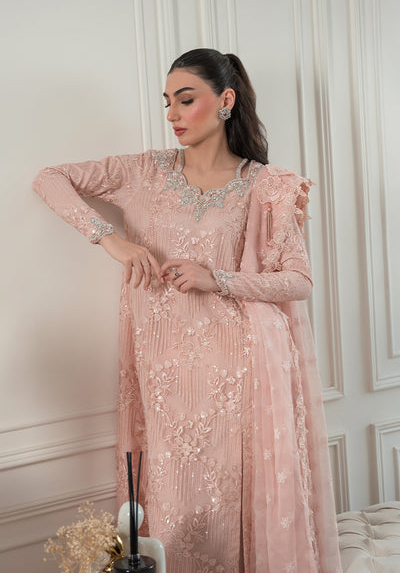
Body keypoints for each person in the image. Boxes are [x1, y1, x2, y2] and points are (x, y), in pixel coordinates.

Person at [33, 48, 343, 572]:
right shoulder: (144, 173)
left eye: (186, 99)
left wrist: (214, 277)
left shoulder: (264, 185)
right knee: (171, 504)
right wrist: (112, 240)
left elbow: (299, 281)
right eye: (167, 102)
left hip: (237, 373)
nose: (172, 114)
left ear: (225, 100)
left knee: (227, 509)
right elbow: (50, 178)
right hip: (161, 373)